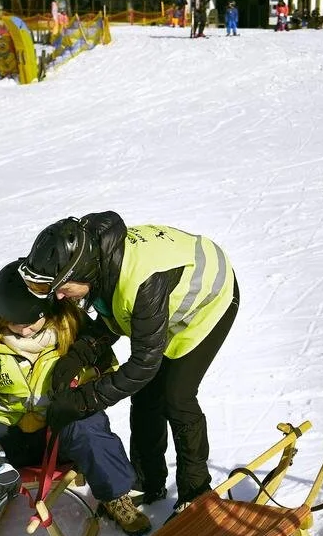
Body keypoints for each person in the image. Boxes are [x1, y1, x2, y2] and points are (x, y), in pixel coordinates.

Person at [0, 259, 150, 536]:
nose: (23, 331)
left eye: (30, 323)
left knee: (91, 429)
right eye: (14, 322)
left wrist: (78, 390)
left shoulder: (75, 328)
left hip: (60, 433)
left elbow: (107, 369)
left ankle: (115, 497)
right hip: (7, 436)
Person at [18, 214, 239, 513]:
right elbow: (113, 320)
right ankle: (148, 481)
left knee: (177, 396)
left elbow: (142, 367)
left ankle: (196, 491)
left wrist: (84, 400)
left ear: (81, 271)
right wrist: (75, 358)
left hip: (208, 299)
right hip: (162, 303)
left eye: (63, 287)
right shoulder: (100, 263)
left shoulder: (140, 282)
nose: (58, 295)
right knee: (147, 397)